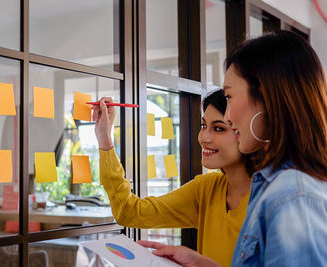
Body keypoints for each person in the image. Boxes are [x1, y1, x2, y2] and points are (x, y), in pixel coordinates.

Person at [141, 30, 327, 266]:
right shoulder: (273, 184)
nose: (228, 116)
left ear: (266, 97)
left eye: (229, 97)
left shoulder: (292, 194)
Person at [93, 89, 255, 266]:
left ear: (247, 132)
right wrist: (104, 138)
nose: (204, 138)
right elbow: (129, 212)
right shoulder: (206, 189)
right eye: (203, 126)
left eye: (218, 128)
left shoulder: (272, 197)